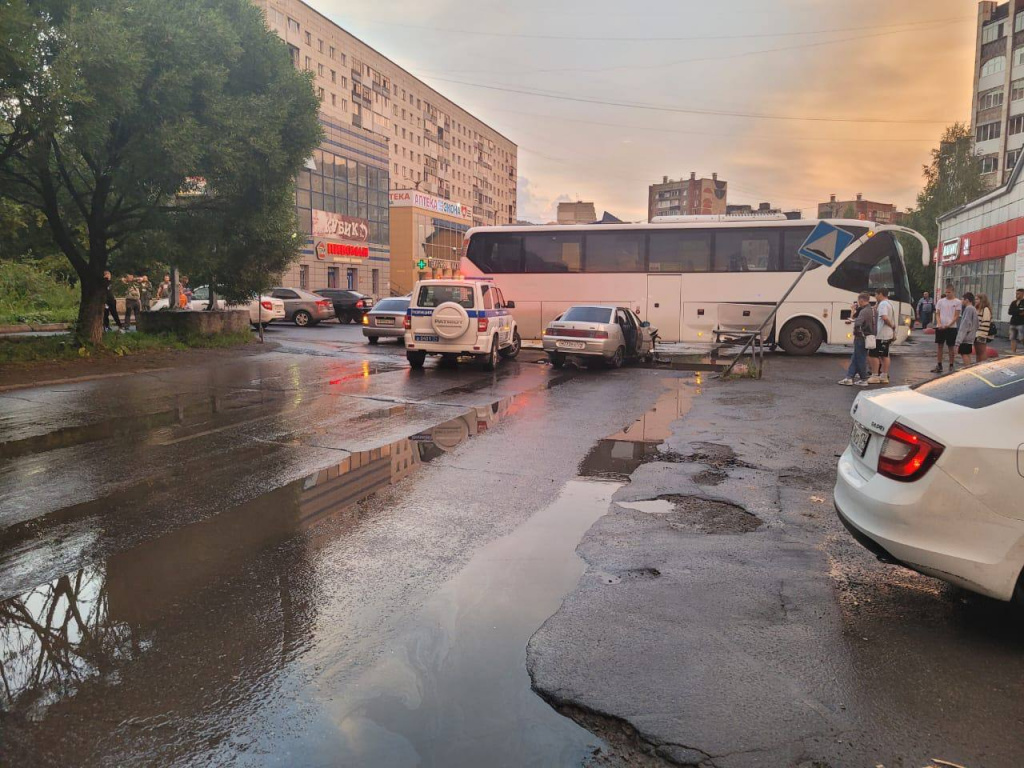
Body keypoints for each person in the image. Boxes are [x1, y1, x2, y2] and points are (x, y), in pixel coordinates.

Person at [838, 293, 874, 387]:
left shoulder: (864, 311)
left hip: (861, 337)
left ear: (861, 300)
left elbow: (858, 322)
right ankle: (849, 378)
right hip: (865, 336)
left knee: (860, 358)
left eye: (859, 301)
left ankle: (863, 379)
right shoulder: (870, 309)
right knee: (855, 358)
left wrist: (853, 321)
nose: (858, 303)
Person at [867, 287, 896, 385]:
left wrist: (891, 325)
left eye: (876, 294)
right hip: (887, 334)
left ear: (880, 294)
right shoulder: (889, 303)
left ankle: (875, 376)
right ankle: (884, 376)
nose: (875, 297)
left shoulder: (883, 304)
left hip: (881, 334)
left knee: (873, 355)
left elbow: (884, 317)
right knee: (885, 355)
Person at [931, 284, 960, 373]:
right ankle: (939, 365)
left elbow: (956, 316)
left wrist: (948, 325)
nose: (947, 294)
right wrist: (939, 323)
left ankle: (951, 365)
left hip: (951, 327)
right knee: (940, 346)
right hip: (941, 326)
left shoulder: (957, 302)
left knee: (950, 346)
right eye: (946, 292)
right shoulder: (941, 301)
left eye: (949, 292)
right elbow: (937, 313)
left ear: (953, 292)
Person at [955, 291, 979, 367]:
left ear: (967, 300)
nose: (961, 301)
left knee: (964, 354)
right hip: (971, 336)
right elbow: (977, 324)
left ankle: (967, 368)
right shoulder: (973, 309)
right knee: (968, 354)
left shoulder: (968, 309)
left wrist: (958, 341)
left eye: (963, 299)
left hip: (965, 337)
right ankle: (969, 367)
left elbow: (965, 325)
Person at [975, 294, 993, 362]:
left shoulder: (986, 309)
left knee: (982, 351)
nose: (975, 301)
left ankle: (983, 365)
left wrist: (982, 334)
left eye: (977, 299)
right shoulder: (977, 309)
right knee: (978, 352)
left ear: (982, 300)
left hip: (981, 333)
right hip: (976, 333)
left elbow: (986, 322)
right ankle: (977, 365)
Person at [1009, 287, 1024, 355]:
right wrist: (1019, 312)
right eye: (1016, 293)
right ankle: (1013, 352)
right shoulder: (1013, 302)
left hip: (1021, 323)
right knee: (1012, 338)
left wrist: (1016, 312)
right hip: (1013, 322)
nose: (1016, 295)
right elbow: (1010, 312)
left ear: (1022, 294)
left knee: (1022, 338)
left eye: (1018, 294)